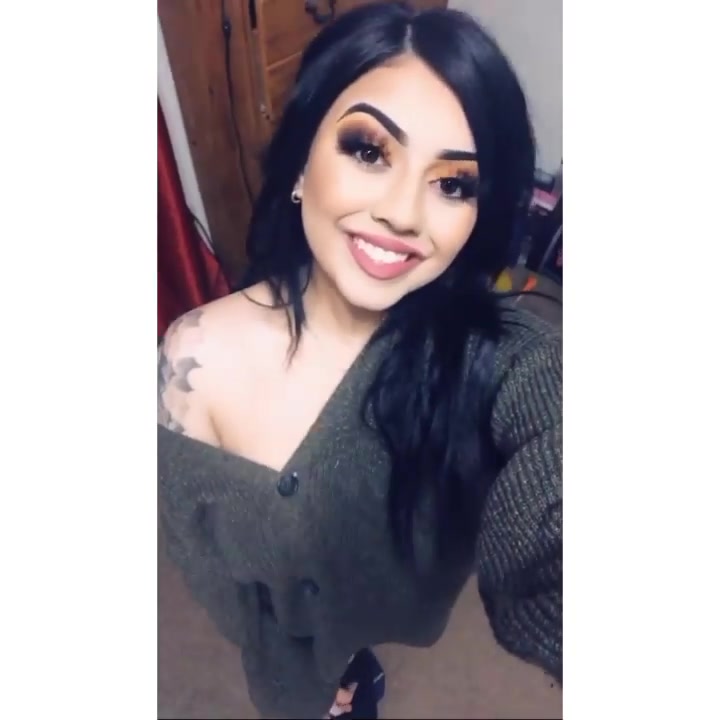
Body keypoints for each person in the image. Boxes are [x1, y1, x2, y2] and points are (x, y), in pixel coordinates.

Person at [157, 2, 562, 718]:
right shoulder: (192, 358)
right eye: (370, 150)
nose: (404, 213)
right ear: (301, 161)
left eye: (453, 184)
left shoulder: (496, 357)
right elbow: (212, 570)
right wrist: (291, 672)